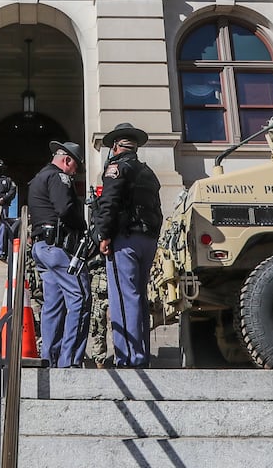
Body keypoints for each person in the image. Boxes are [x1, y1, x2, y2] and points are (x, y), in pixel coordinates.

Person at [92, 122, 162, 368]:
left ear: (115, 147)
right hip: (148, 239)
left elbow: (109, 203)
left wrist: (103, 235)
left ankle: (128, 357)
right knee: (139, 298)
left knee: (124, 297)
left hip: (126, 240)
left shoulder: (116, 167)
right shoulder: (148, 172)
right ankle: (140, 354)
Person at [27, 141, 88, 368]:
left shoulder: (38, 178)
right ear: (67, 160)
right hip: (59, 249)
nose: (75, 173)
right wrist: (83, 227)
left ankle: (49, 358)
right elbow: (65, 209)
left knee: (53, 305)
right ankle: (69, 359)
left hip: (43, 248)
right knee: (80, 299)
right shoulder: (59, 177)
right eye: (76, 168)